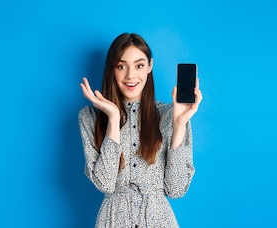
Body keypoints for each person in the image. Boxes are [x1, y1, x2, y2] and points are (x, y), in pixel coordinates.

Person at [78, 33, 203, 227]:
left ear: (150, 67)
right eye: (121, 66)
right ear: (112, 69)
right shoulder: (90, 117)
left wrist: (179, 125)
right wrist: (113, 117)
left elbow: (176, 190)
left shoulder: (171, 114)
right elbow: (105, 183)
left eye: (139, 65)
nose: (130, 76)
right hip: (113, 220)